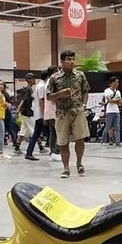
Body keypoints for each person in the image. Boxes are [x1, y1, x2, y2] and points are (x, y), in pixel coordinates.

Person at [46, 50, 90, 178]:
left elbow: (85, 91)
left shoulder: (80, 75)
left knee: (80, 139)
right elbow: (48, 96)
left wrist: (84, 106)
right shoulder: (54, 78)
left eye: (73, 59)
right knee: (63, 142)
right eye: (68, 59)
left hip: (77, 111)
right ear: (62, 61)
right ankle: (66, 169)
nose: (72, 62)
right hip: (62, 113)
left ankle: (79, 163)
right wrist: (60, 94)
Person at [24, 70, 50, 162]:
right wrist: (44, 115)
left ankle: (29, 153)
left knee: (36, 134)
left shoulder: (38, 86)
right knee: (50, 133)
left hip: (37, 113)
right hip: (40, 114)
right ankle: (54, 152)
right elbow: (41, 101)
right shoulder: (42, 86)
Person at [15, 73, 36, 154]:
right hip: (27, 113)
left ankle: (17, 148)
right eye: (32, 78)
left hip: (26, 113)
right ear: (28, 79)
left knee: (23, 131)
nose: (34, 79)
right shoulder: (27, 89)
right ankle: (41, 147)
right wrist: (18, 110)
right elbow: (23, 100)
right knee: (35, 130)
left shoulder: (29, 89)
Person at [44, 65, 60, 162]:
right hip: (53, 110)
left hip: (49, 111)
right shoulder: (52, 82)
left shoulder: (48, 82)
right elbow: (53, 97)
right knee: (60, 132)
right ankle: (56, 152)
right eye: (58, 71)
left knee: (53, 133)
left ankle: (52, 153)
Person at [100, 76, 122, 146]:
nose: (117, 84)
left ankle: (118, 142)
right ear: (112, 83)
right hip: (109, 111)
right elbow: (109, 100)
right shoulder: (107, 90)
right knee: (108, 127)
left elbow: (120, 102)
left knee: (117, 128)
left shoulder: (118, 92)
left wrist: (115, 101)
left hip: (116, 111)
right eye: (116, 82)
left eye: (118, 82)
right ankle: (103, 141)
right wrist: (116, 101)